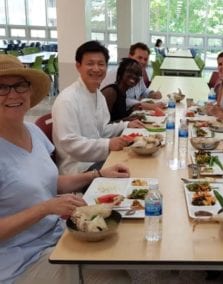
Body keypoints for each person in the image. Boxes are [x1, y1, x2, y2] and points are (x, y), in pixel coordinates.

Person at [0, 54, 131, 284]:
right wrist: (45, 208)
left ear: (29, 91)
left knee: (119, 253)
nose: (13, 94)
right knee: (113, 278)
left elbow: (50, 180)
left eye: (20, 85)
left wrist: (99, 174)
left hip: (56, 234)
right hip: (19, 261)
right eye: (1, 87)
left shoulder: (32, 131)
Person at [52, 40, 144, 175]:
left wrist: (126, 125)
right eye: (90, 64)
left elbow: (102, 130)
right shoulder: (67, 100)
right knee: (133, 168)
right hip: (78, 169)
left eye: (101, 64)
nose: (96, 69)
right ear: (78, 66)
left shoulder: (97, 95)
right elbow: (70, 144)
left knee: (137, 158)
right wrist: (107, 145)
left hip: (97, 159)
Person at [101, 58, 143, 122]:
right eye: (130, 71)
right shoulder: (111, 92)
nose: (134, 76)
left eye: (137, 74)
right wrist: (126, 120)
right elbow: (102, 126)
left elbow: (117, 117)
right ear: (121, 72)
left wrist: (131, 110)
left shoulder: (123, 92)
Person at [126, 42, 164, 111]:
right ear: (129, 57)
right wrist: (150, 106)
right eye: (139, 58)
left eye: (145, 59)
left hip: (134, 112)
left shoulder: (139, 73)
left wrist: (152, 94)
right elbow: (124, 100)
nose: (143, 62)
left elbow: (143, 90)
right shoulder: (120, 73)